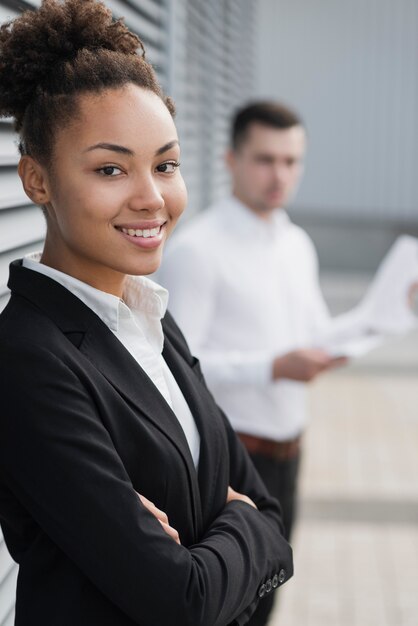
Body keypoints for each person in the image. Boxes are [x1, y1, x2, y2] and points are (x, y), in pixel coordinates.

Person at [0, 5, 293, 625]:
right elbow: (179, 601)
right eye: (111, 169)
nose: (152, 198)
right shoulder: (27, 355)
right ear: (36, 180)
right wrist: (238, 518)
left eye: (165, 165)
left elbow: (271, 510)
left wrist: (232, 526)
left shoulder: (150, 318)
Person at [158, 101, 346, 625]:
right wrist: (271, 367)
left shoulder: (296, 243)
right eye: (265, 159)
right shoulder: (198, 250)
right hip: (231, 461)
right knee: (231, 610)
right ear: (230, 159)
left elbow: (317, 334)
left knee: (268, 600)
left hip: (289, 452)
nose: (279, 174)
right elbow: (174, 370)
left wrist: (388, 310)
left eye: (291, 161)